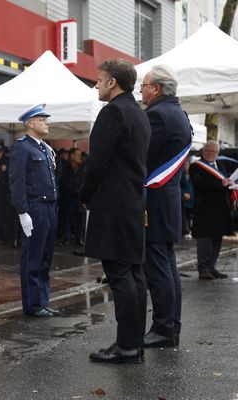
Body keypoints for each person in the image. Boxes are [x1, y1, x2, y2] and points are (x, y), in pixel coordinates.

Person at [79, 59, 150, 364]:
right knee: (133, 273)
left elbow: (97, 163)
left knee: (121, 275)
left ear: (112, 83)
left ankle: (127, 346)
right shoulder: (139, 114)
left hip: (113, 204)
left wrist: (85, 195)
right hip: (132, 202)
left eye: (99, 79)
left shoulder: (113, 112)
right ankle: (133, 343)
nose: (96, 84)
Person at [140, 65, 192, 348]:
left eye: (144, 85)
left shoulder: (158, 115)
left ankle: (163, 327)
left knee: (158, 267)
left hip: (155, 200)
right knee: (168, 266)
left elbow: (141, 156)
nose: (141, 90)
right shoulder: (179, 114)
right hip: (167, 200)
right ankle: (171, 326)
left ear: (157, 88)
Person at [9, 104, 59, 317]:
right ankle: (33, 305)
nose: (47, 122)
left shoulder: (44, 148)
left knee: (46, 257)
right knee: (33, 257)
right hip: (36, 207)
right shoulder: (22, 147)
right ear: (30, 123)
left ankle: (42, 301)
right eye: (42, 119)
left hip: (50, 206)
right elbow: (17, 181)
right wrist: (23, 211)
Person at [189, 141, 232, 280]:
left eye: (213, 152)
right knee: (204, 240)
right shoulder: (196, 166)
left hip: (220, 210)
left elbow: (225, 182)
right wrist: (221, 183)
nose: (209, 154)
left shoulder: (221, 166)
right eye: (207, 151)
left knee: (217, 239)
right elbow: (200, 183)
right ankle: (203, 268)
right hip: (204, 209)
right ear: (203, 151)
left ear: (217, 153)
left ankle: (212, 267)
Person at [59, 147, 85, 246]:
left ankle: (79, 239)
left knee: (80, 220)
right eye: (77, 155)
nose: (80, 157)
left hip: (79, 198)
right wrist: (73, 189)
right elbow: (62, 181)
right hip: (69, 197)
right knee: (67, 219)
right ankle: (67, 238)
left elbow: (84, 180)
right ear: (72, 155)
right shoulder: (65, 166)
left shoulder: (82, 167)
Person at [180, 160, 194, 237]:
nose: (186, 166)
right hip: (183, 199)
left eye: (187, 164)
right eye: (184, 165)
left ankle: (189, 229)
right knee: (184, 215)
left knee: (190, 215)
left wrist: (191, 195)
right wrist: (183, 194)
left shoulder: (192, 175)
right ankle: (185, 230)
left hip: (191, 199)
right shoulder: (180, 176)